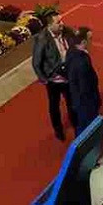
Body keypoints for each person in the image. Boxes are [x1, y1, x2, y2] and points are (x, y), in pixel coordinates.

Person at [32, 12, 76, 141]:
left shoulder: (67, 31)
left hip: (69, 76)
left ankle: (75, 122)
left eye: (61, 20)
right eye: (58, 22)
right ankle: (58, 130)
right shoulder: (42, 39)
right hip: (54, 80)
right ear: (50, 25)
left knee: (72, 101)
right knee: (54, 106)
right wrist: (44, 79)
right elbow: (36, 62)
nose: (62, 24)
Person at [65, 27, 101, 135]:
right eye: (90, 39)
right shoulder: (81, 62)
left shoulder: (71, 51)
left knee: (82, 124)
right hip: (85, 102)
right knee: (86, 126)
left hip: (77, 99)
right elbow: (84, 87)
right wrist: (94, 101)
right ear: (84, 42)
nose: (92, 42)